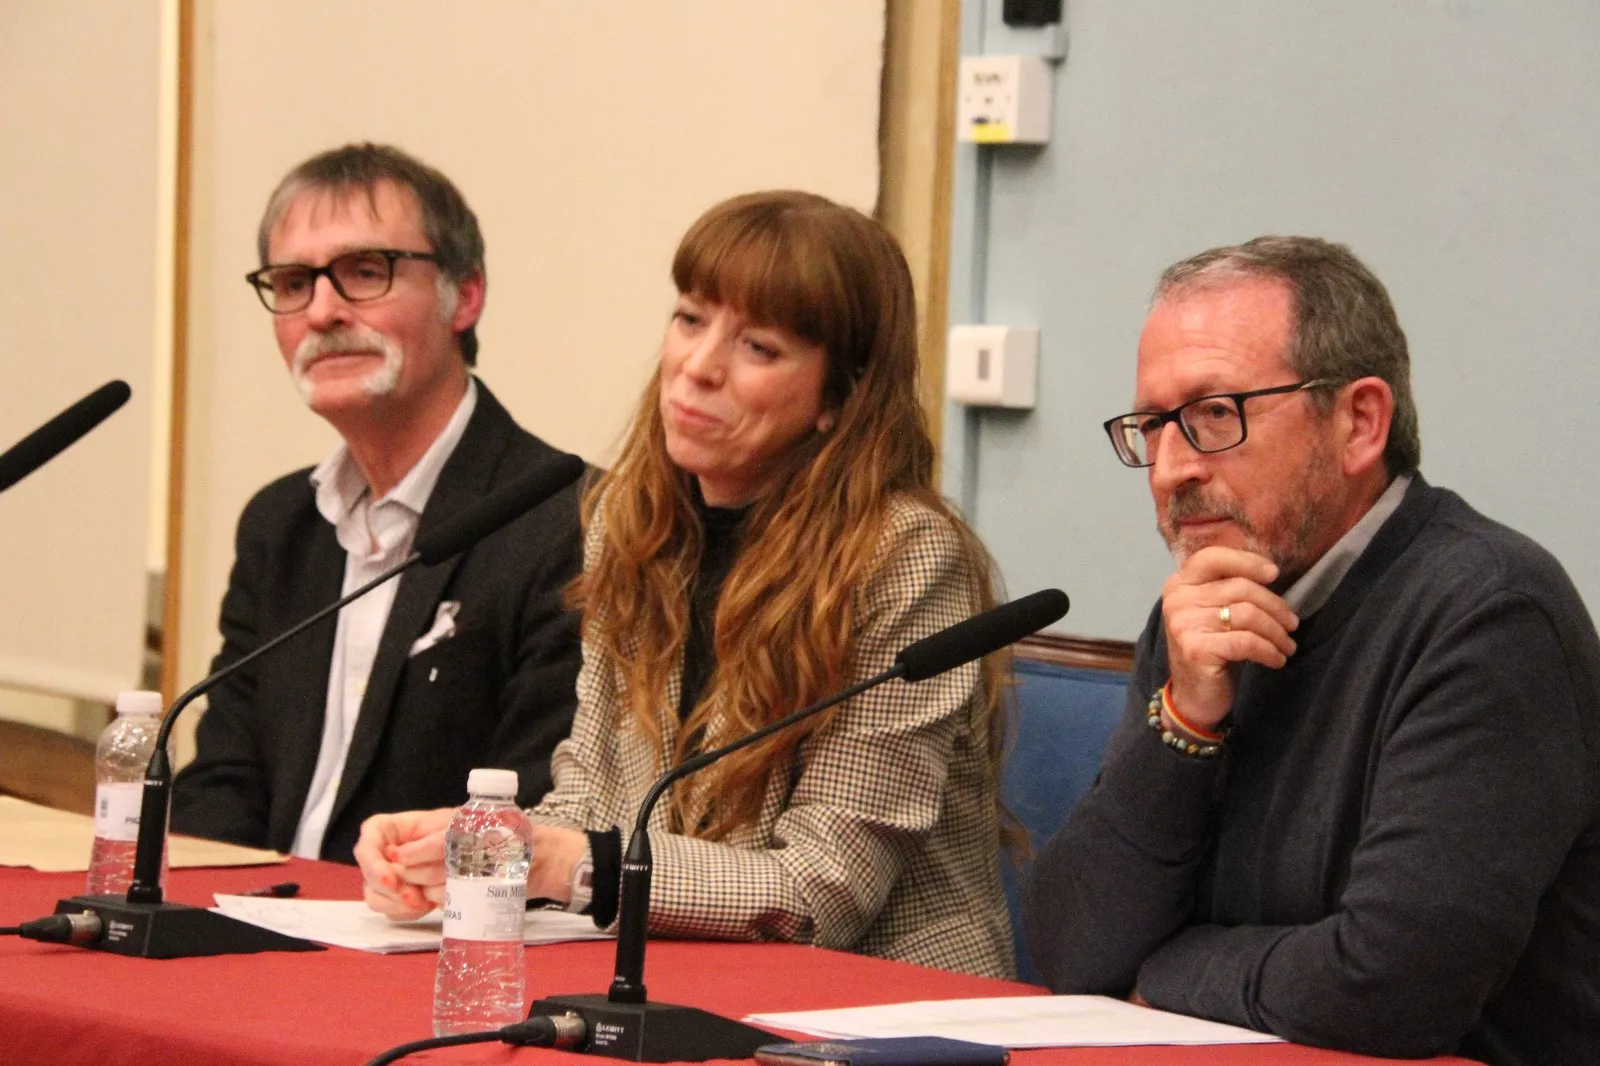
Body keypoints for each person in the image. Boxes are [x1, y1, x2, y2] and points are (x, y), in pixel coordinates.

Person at [355, 190, 1016, 978]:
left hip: (887, 1004)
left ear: (840, 396)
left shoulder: (903, 559)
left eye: (759, 347)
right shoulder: (633, 526)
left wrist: (559, 862)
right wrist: (473, 848)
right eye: (690, 318)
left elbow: (823, 891)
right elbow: (588, 806)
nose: (698, 367)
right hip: (691, 975)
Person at [1024, 236, 1600, 1065]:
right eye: (1152, 426)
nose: (1170, 470)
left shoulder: (1490, 614)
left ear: (1359, 422)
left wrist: (1161, 968)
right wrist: (1187, 717)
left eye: (1215, 415)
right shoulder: (1201, 618)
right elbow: (1077, 951)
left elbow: (1391, 989)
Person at [171, 144, 584, 865]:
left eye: (366, 272)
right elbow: (222, 788)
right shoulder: (281, 525)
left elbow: (542, 809)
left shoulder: (566, 520)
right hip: (254, 935)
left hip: (430, 943)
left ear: (466, 295)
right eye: (294, 282)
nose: (323, 311)